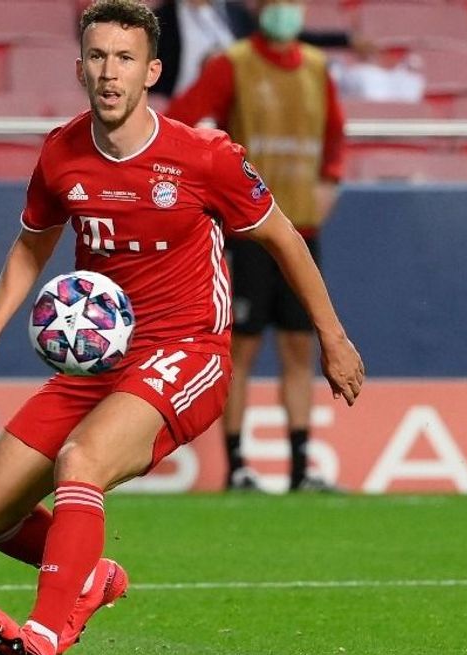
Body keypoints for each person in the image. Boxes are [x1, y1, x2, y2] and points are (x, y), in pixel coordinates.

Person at [0, 1, 363, 655]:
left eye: (124, 59)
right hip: (99, 362)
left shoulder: (206, 157)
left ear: (151, 71)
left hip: (188, 351)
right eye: (97, 57)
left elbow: (284, 237)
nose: (109, 72)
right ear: (80, 67)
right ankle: (89, 574)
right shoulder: (61, 152)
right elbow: (32, 245)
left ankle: (43, 635)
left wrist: (333, 336)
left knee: (81, 460)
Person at [166, 0, 347, 493]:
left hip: (301, 230)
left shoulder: (317, 68)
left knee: (299, 345)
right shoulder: (234, 63)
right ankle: (238, 466)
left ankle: (301, 468)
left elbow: (334, 135)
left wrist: (330, 180)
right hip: (248, 231)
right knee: (241, 347)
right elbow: (179, 120)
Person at [151, 0, 373, 99]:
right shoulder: (161, 18)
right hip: (183, 102)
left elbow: (283, 38)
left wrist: (344, 40)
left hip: (234, 107)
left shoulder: (234, 13)